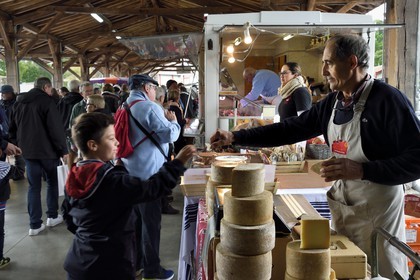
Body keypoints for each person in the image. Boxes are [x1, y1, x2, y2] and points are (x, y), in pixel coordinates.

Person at [210, 34, 420, 280]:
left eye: (329, 63)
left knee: (377, 273)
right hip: (344, 205)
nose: (323, 70)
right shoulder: (334, 102)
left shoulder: (387, 100)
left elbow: (417, 160)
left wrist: (362, 170)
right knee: (347, 271)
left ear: (352, 62)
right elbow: (290, 129)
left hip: (378, 215)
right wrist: (236, 137)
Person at [63, 112, 196, 280]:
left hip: (79, 259)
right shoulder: (111, 180)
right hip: (110, 265)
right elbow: (152, 189)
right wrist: (177, 163)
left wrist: (91, 233)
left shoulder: (75, 174)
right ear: (93, 145)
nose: (117, 142)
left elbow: (68, 217)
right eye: (111, 139)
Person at [121, 74, 181, 280]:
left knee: (136, 224)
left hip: (130, 172)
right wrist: (174, 122)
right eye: (154, 88)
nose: (156, 93)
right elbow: (168, 134)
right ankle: (152, 270)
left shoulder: (125, 105)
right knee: (151, 225)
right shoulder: (149, 107)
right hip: (149, 175)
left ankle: (136, 264)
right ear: (147, 88)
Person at [9, 77, 68, 236]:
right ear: (46, 87)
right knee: (52, 183)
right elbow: (55, 129)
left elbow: (12, 129)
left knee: (33, 187)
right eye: (50, 89)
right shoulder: (47, 102)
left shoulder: (19, 103)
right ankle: (52, 216)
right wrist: (63, 150)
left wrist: (17, 144)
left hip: (27, 152)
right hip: (48, 152)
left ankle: (34, 225)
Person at [0, 85, 26, 180]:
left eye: (5, 93)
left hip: (15, 132)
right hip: (3, 135)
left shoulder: (17, 104)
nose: (3, 95)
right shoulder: (1, 104)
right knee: (2, 155)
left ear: (10, 93)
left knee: (18, 154)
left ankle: (19, 173)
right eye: (2, 93)